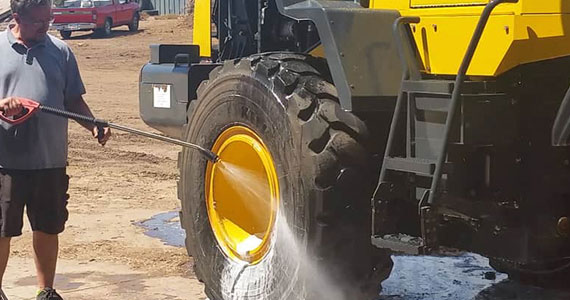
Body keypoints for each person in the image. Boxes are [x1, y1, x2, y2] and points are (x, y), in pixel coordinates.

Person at [0, 0, 111, 298]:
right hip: (6, 162)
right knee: (2, 230)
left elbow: (72, 99)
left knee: (49, 228)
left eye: (48, 19)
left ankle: (45, 291)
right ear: (16, 17)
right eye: (38, 21)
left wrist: (93, 125)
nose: (45, 26)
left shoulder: (60, 51)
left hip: (50, 159)